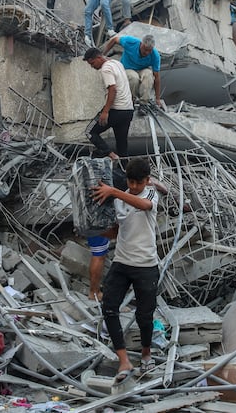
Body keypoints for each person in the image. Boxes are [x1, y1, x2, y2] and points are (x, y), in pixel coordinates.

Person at [90, 157, 159, 382]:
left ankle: (146, 356)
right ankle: (124, 361)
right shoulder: (119, 199)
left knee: (144, 316)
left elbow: (144, 205)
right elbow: (116, 231)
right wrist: (92, 227)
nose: (134, 187)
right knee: (109, 308)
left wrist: (114, 192)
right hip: (122, 262)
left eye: (138, 183)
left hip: (146, 265)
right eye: (130, 182)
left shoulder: (150, 194)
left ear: (147, 181)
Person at [83, 47, 134, 161]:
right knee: (122, 145)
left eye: (92, 63)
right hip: (128, 110)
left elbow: (113, 89)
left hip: (116, 110)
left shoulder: (105, 69)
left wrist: (105, 111)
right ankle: (125, 171)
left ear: (99, 58)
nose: (92, 66)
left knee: (90, 132)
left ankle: (111, 155)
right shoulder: (117, 63)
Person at [102, 33, 161, 106]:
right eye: (145, 50)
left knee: (148, 76)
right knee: (134, 78)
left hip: (143, 69)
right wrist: (103, 55)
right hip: (127, 68)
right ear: (141, 44)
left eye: (149, 51)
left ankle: (143, 103)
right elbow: (114, 40)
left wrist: (157, 98)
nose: (147, 53)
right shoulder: (131, 42)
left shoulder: (155, 56)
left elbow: (157, 77)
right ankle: (131, 100)